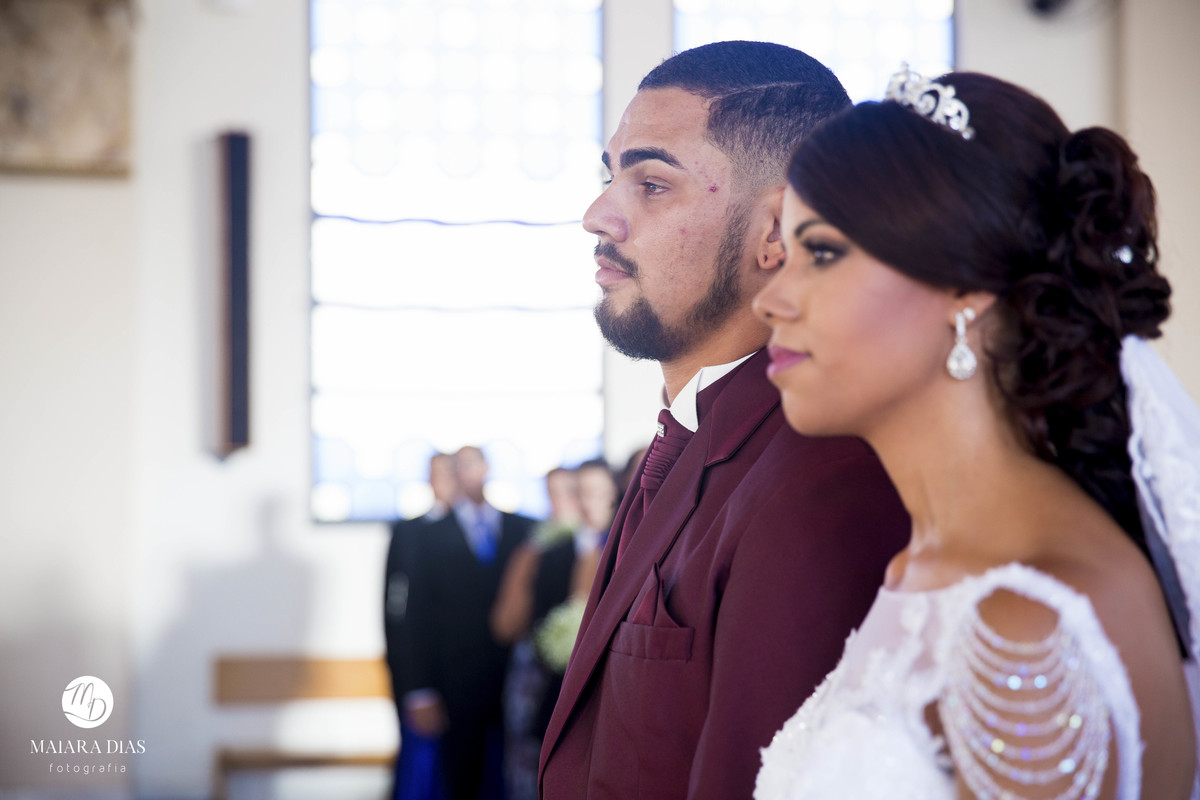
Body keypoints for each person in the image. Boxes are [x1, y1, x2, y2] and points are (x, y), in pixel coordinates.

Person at [752, 65, 1199, 799]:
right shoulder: (926, 568)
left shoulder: (1025, 629)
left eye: (822, 252)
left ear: (966, 286)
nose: (771, 299)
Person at [538, 41, 911, 799]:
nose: (596, 216)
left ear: (779, 228)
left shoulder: (819, 481)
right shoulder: (689, 438)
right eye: (608, 177)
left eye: (651, 183)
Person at [398, 445, 537, 800]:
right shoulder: (426, 536)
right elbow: (414, 616)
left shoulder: (524, 528)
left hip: (515, 678)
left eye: (474, 464)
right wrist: (420, 688)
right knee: (462, 779)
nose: (468, 472)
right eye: (459, 466)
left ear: (487, 467)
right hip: (454, 682)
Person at [493, 461, 617, 800]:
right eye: (579, 493)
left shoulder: (627, 547)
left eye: (597, 493)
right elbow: (509, 624)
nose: (586, 503)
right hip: (548, 680)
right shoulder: (549, 552)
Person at [385, 452, 458, 800]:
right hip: (425, 674)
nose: (446, 480)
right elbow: (397, 611)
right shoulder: (410, 532)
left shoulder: (499, 529)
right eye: (439, 473)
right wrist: (416, 687)